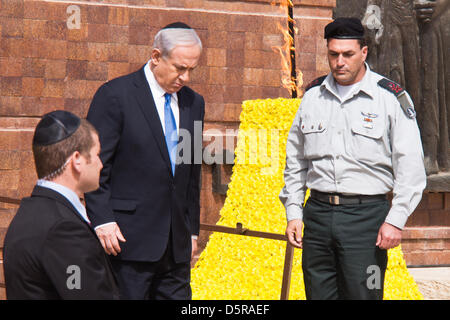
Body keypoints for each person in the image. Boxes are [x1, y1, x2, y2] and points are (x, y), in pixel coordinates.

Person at [279, 18, 426, 300]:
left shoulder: (390, 98)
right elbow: (296, 161)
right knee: (318, 295)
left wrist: (396, 220)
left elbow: (410, 167)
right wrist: (294, 212)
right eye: (333, 54)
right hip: (318, 216)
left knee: (365, 294)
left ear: (364, 52)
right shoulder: (313, 97)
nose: (339, 62)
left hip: (366, 220)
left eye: (347, 54)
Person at [84, 22, 204, 300]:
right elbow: (94, 164)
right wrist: (102, 219)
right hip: (126, 242)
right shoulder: (115, 95)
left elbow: (190, 173)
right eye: (179, 68)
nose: (185, 77)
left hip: (176, 247)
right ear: (155, 57)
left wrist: (192, 230)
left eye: (192, 70)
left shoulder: (193, 103)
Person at [3, 110, 119, 299]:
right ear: (77, 160)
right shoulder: (63, 229)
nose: (101, 164)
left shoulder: (31, 212)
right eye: (97, 154)